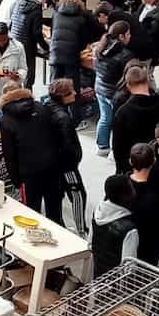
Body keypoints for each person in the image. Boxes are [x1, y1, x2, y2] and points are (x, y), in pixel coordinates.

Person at [0, 87, 63, 222]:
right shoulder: (41, 107)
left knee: (32, 214)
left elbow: (9, 154)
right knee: (55, 212)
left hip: (29, 173)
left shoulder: (6, 120)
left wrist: (15, 180)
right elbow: (55, 136)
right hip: (52, 167)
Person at [111, 64, 159, 171]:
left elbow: (118, 148)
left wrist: (121, 171)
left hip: (134, 167)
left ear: (128, 85)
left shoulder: (123, 112)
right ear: (147, 82)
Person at [43, 77, 88, 233]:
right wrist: (75, 159)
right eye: (71, 92)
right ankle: (81, 230)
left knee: (54, 198)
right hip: (66, 166)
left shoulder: (46, 106)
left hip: (51, 163)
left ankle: (57, 226)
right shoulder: (63, 118)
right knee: (78, 195)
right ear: (63, 96)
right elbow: (68, 146)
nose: (75, 93)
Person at [47, 0, 100, 125]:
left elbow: (53, 32)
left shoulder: (56, 14)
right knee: (72, 88)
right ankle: (75, 119)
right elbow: (83, 41)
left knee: (54, 86)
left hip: (55, 54)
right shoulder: (80, 19)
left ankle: (51, 114)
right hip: (71, 57)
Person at [93, 20, 134, 157]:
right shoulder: (125, 55)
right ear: (121, 36)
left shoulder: (99, 47)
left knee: (105, 118)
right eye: (128, 34)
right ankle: (115, 151)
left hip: (99, 88)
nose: (130, 37)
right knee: (118, 122)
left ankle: (102, 146)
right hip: (115, 93)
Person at [127, 143, 159, 265]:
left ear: (130, 161)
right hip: (148, 250)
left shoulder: (121, 185)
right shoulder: (156, 194)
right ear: (154, 161)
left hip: (123, 244)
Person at [90, 174, 140, 277]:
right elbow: (129, 267)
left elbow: (90, 243)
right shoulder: (129, 229)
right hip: (115, 281)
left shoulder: (97, 211)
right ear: (125, 194)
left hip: (97, 273)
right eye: (131, 187)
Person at [8, 0, 48, 88]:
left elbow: (11, 23)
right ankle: (27, 97)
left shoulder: (18, 2)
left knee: (17, 73)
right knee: (29, 75)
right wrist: (46, 47)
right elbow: (37, 33)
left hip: (14, 42)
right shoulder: (36, 8)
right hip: (27, 46)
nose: (45, 0)